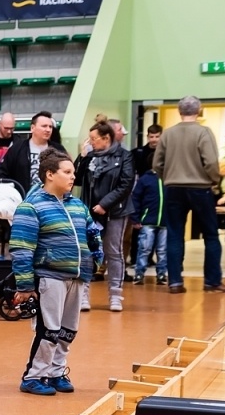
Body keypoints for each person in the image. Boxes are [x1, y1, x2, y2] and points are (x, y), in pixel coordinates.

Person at [11, 149, 93, 397]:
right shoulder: (31, 207)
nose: (72, 177)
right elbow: (22, 249)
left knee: (68, 330)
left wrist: (94, 261)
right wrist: (25, 286)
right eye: (67, 172)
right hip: (50, 278)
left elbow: (92, 235)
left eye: (73, 172)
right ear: (49, 175)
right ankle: (34, 376)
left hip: (76, 278)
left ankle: (56, 373)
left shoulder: (78, 205)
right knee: (49, 330)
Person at [153, 95, 225, 294]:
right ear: (199, 110)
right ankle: (212, 282)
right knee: (211, 235)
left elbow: (157, 164)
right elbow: (211, 162)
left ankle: (175, 282)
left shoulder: (168, 134)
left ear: (180, 111)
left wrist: (167, 177)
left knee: (175, 234)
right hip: (200, 188)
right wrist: (214, 180)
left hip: (173, 188)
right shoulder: (203, 132)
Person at [78, 118, 135, 312]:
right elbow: (75, 178)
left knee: (114, 251)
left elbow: (126, 184)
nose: (91, 142)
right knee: (87, 252)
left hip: (115, 212)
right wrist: (83, 157)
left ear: (106, 138)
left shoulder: (124, 156)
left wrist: (105, 204)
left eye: (93, 139)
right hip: (89, 212)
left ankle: (115, 296)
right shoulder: (90, 156)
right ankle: (83, 295)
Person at [0, 111, 64, 196]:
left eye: (50, 127)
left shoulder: (58, 150)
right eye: (44, 126)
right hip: (23, 197)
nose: (48, 130)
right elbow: (3, 172)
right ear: (32, 128)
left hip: (51, 199)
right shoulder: (17, 148)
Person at [129, 164, 165, 285]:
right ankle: (139, 273)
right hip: (148, 221)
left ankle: (161, 274)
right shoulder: (145, 179)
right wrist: (135, 218)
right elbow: (136, 199)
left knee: (163, 250)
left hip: (165, 222)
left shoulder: (169, 179)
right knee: (145, 248)